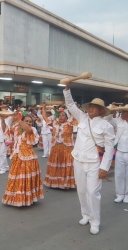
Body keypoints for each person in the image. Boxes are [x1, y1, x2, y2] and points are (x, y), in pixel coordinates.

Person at [64, 79, 114, 235]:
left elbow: (110, 148)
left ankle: (95, 221)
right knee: (82, 190)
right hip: (78, 159)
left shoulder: (107, 126)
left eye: (95, 107)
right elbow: (71, 105)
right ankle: (85, 214)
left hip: (94, 163)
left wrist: (104, 167)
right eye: (90, 106)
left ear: (101, 111)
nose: (91, 108)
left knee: (93, 192)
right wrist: (67, 89)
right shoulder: (82, 118)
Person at [2, 114, 44, 206]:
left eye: (30, 121)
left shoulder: (32, 129)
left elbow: (28, 130)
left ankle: (26, 199)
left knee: (25, 178)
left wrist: (19, 120)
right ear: (23, 121)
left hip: (28, 158)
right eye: (27, 121)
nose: (29, 123)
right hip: (17, 156)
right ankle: (15, 198)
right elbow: (6, 131)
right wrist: (2, 120)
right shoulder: (16, 128)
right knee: (16, 178)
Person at [41, 103, 76, 189]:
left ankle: (66, 183)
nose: (61, 117)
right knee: (56, 164)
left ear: (67, 117)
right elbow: (45, 118)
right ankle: (55, 182)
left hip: (67, 149)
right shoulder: (54, 123)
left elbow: (74, 114)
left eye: (63, 115)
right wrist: (44, 108)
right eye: (59, 115)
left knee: (65, 165)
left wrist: (69, 105)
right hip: (56, 148)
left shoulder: (70, 123)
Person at [106, 104, 128, 203]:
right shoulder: (118, 120)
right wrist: (112, 110)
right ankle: (120, 194)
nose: (122, 114)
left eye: (124, 112)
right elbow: (107, 120)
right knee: (119, 174)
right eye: (122, 112)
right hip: (120, 151)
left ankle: (127, 195)